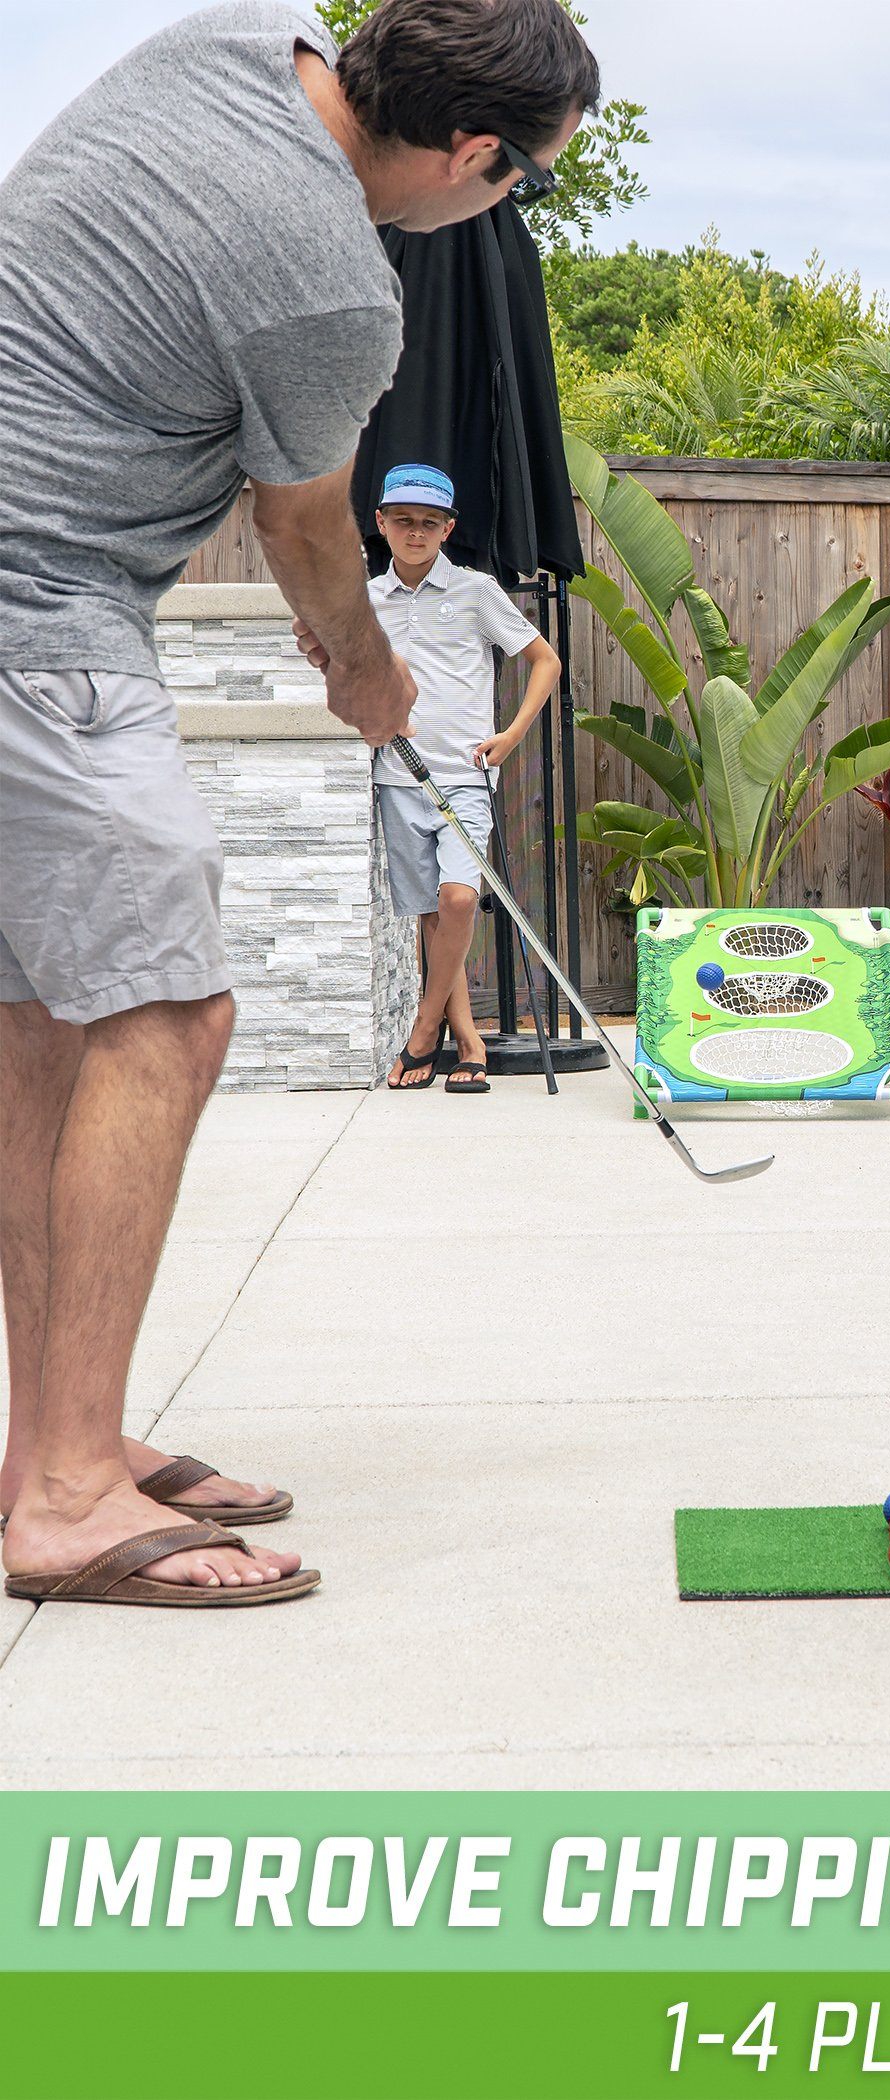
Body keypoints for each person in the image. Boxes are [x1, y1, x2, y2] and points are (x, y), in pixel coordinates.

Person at [0, 0, 597, 1606]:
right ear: (473, 153)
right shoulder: (338, 286)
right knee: (171, 1018)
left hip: (32, 602)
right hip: (36, 610)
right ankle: (62, 1497)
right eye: (517, 183)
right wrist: (365, 673)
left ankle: (59, 1443)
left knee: (48, 1019)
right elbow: (309, 532)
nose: (498, 206)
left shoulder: (229, 37)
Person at [369, 464, 562, 1094]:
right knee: (430, 914)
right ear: (382, 524)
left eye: (429, 522)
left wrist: (510, 736)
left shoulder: (477, 591)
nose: (415, 531)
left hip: (465, 776)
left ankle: (424, 1037)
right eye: (403, 520)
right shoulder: (364, 601)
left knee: (458, 899)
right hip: (398, 778)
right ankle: (470, 1039)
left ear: (448, 528)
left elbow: (544, 661)